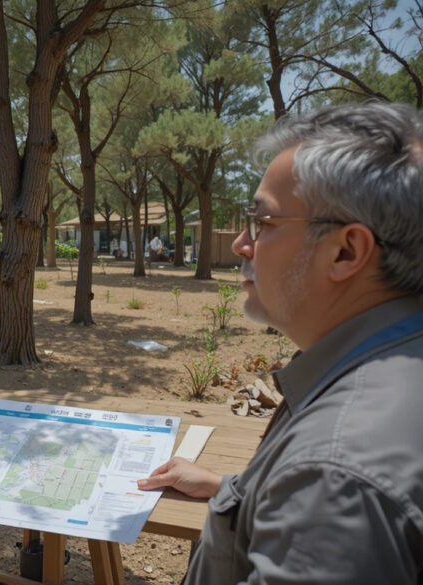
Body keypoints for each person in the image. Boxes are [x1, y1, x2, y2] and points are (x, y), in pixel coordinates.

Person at [138, 102, 423, 583]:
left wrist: (305, 486)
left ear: (346, 251)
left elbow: (335, 491)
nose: (241, 245)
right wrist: (232, 488)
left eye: (263, 224)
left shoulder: (332, 476)